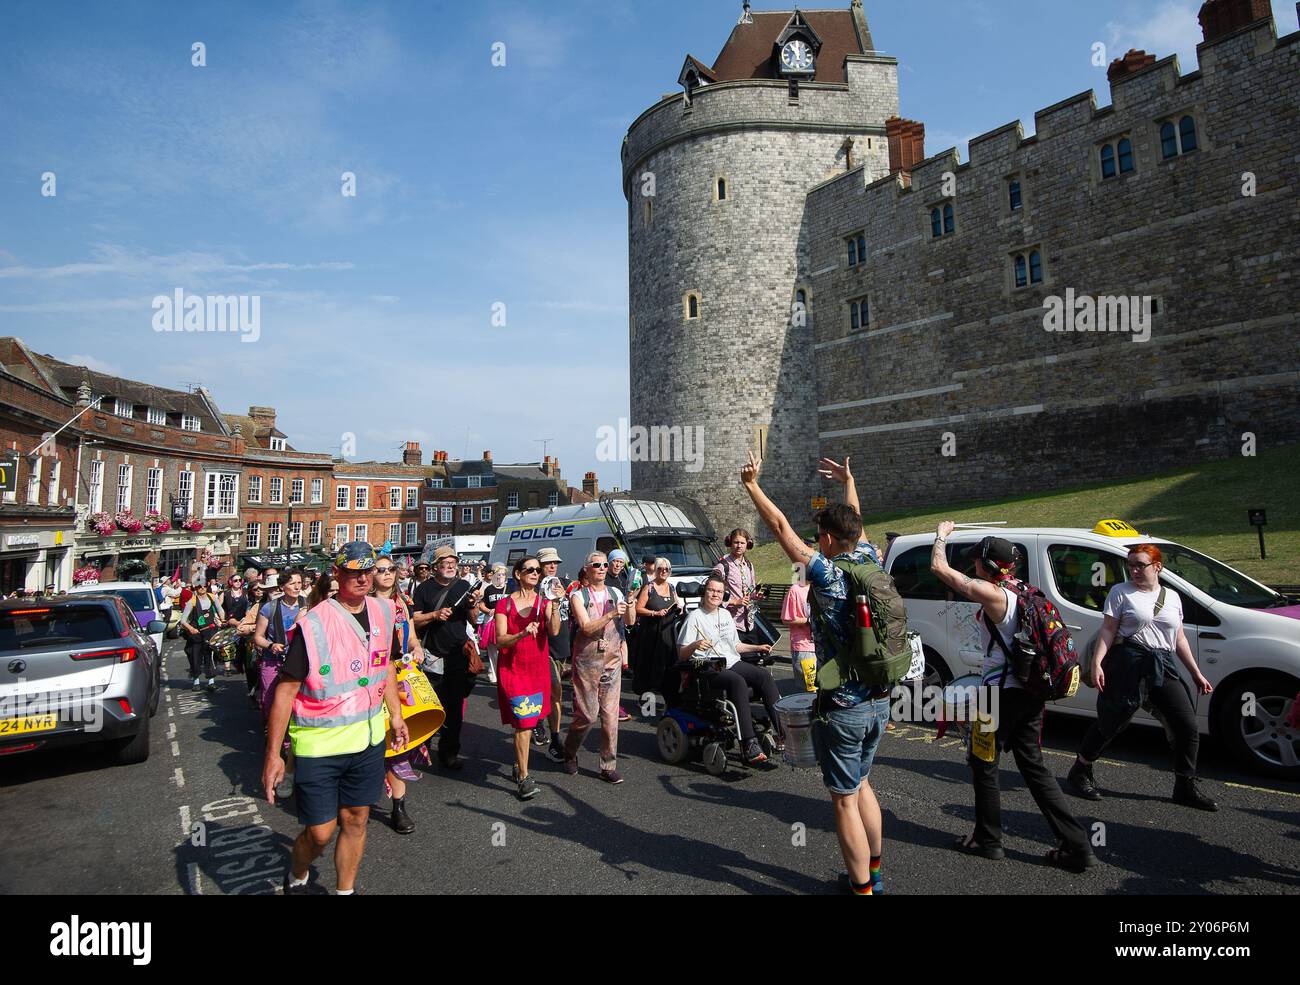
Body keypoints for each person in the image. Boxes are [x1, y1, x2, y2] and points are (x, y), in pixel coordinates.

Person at [742, 451, 890, 894]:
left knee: (844, 801)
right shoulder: (868, 559)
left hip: (843, 705)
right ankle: (875, 874)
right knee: (864, 784)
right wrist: (849, 479)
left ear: (825, 538)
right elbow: (856, 520)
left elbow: (781, 529)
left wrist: (751, 485)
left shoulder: (826, 574)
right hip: (879, 699)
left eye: (819, 534)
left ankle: (863, 889)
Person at [930, 523, 1097, 871]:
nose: (973, 566)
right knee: (1033, 766)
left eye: (977, 561)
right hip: (1029, 691)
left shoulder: (995, 595)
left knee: (983, 763)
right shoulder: (1022, 589)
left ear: (988, 566)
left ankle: (987, 840)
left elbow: (939, 570)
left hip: (998, 696)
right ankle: (1077, 845)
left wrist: (941, 536)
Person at [262, 542, 408, 895]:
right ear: (338, 574)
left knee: (356, 820)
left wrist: (396, 715)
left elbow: (385, 664)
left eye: (367, 571)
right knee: (320, 832)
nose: (362, 578)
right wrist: (273, 756)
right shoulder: (313, 623)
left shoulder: (385, 611)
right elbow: (286, 690)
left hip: (368, 740)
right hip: (320, 744)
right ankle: (298, 871)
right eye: (353, 571)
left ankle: (345, 891)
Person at [1067, 544, 1217, 811]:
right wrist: (1098, 663)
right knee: (1113, 720)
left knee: (1186, 725)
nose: (1134, 570)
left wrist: (1195, 673)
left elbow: (1179, 638)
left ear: (1157, 566)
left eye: (1140, 565)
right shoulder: (1120, 592)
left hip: (1163, 663)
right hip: (1129, 662)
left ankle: (1184, 785)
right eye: (1131, 565)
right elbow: (1108, 630)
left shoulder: (1171, 597)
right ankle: (1080, 770)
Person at [677, 572, 782, 765]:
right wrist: (695, 645)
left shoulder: (725, 614)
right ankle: (748, 743)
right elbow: (681, 654)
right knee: (737, 681)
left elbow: (735, 646)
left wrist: (757, 647)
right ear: (704, 592)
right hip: (708, 665)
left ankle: (783, 733)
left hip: (731, 661)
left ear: (724, 595)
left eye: (719, 591)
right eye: (711, 590)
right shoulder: (694, 617)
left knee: (763, 676)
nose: (715, 594)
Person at [562, 552, 635, 783]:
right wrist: (612, 613)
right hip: (587, 662)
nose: (602, 568)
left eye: (605, 564)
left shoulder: (616, 592)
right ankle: (570, 751)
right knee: (587, 715)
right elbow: (585, 628)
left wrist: (630, 604)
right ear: (587, 569)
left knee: (611, 717)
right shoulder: (578, 596)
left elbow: (631, 622)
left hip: (612, 660)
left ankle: (608, 765)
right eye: (597, 565)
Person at [495, 556, 562, 800]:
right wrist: (522, 634)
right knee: (523, 724)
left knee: (530, 722)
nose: (535, 573)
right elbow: (500, 639)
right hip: (513, 671)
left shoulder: (544, 601)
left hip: (537, 671)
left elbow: (554, 630)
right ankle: (523, 777)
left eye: (538, 570)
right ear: (517, 574)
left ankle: (518, 764)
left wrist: (554, 604)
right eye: (530, 570)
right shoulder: (504, 604)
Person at [371, 556, 428, 833]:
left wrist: (416, 648)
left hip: (400, 677)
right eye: (380, 570)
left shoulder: (400, 603)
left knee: (398, 744)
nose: (387, 574)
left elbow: (412, 637)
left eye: (391, 569)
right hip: (371, 682)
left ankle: (399, 806)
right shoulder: (363, 605)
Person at [411, 545, 481, 770]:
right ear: (435, 566)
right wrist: (435, 615)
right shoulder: (424, 589)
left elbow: (473, 619)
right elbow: (415, 620)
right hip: (432, 654)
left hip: (458, 654)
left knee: (455, 706)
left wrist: (473, 605)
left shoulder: (463, 585)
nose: (451, 565)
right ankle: (423, 748)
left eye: (453, 562)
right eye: (445, 562)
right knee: (431, 706)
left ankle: (449, 752)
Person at [533, 547, 570, 761]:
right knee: (554, 693)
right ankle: (555, 739)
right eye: (548, 563)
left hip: (562, 645)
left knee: (554, 694)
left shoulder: (562, 584)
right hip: (542, 647)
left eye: (555, 562)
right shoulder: (534, 588)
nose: (553, 566)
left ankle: (540, 721)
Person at [632, 558, 683, 698]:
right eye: (661, 568)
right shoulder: (649, 587)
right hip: (650, 633)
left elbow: (677, 603)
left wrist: (679, 608)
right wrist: (654, 613)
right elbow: (638, 609)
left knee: (666, 665)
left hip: (667, 633)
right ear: (656, 570)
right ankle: (645, 697)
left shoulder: (671, 587)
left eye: (667, 569)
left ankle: (665, 693)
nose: (664, 571)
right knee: (648, 664)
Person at [713, 528, 761, 643]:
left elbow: (750, 590)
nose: (739, 546)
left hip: (749, 623)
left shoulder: (749, 565)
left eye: (742, 543)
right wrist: (734, 601)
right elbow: (712, 592)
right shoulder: (723, 566)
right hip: (730, 624)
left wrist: (755, 595)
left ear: (747, 544)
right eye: (736, 542)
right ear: (730, 543)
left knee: (754, 658)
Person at [179, 582, 225, 692]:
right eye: (200, 586)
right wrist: (191, 629)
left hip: (211, 632)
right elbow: (183, 621)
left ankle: (211, 682)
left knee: (211, 656)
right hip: (196, 634)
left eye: (204, 586)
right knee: (195, 657)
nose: (202, 588)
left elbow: (220, 610)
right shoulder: (192, 601)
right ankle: (196, 682)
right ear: (195, 588)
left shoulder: (213, 597)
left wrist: (222, 621)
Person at [782, 565, 817, 693]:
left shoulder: (817, 588)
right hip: (804, 647)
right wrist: (809, 621)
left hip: (821, 645)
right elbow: (787, 619)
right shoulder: (795, 590)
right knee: (810, 691)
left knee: (821, 691)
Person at [476, 564, 509, 685]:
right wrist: (488, 611)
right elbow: (481, 605)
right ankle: (494, 673)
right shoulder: (489, 589)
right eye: (498, 574)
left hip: (505, 621)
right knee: (492, 650)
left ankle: (502, 672)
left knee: (504, 648)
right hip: (490, 621)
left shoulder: (510, 589)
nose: (500, 577)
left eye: (503, 574)